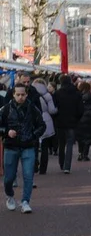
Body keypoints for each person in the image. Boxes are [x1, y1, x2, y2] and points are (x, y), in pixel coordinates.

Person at [1, 84, 46, 213]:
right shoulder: (6, 109)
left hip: (28, 146)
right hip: (11, 146)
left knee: (28, 175)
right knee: (9, 178)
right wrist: (7, 132)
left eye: (23, 94)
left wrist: (33, 135)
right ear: (13, 95)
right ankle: (10, 196)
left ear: (26, 95)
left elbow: (42, 125)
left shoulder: (33, 109)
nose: (20, 97)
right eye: (18, 94)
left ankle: (25, 201)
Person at [52, 74, 84, 173]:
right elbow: (81, 109)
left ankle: (62, 163)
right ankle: (67, 166)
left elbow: (54, 108)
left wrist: (56, 118)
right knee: (70, 144)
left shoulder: (57, 93)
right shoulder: (77, 93)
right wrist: (77, 119)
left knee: (61, 143)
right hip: (72, 122)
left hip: (60, 121)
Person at [31, 76, 57, 175]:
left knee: (33, 145)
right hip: (46, 120)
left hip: (34, 120)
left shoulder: (30, 94)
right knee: (45, 147)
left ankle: (34, 165)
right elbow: (52, 110)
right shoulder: (47, 95)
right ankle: (43, 169)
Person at [75, 81, 91, 162]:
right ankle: (85, 154)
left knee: (80, 138)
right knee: (87, 138)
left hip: (79, 120)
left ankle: (80, 153)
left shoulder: (78, 97)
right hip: (90, 120)